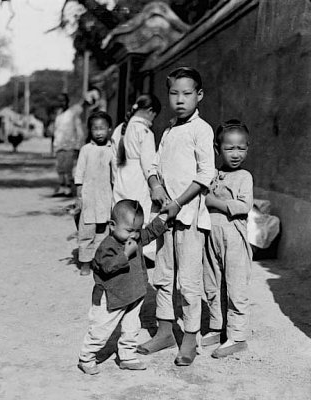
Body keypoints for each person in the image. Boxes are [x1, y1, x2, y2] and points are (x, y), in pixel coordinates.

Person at [137, 67, 215, 367]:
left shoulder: (202, 129)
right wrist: (155, 185)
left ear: (199, 95)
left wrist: (179, 202)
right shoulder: (169, 130)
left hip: (189, 216)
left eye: (186, 93)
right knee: (163, 274)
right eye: (174, 93)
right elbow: (154, 164)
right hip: (164, 216)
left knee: (189, 280)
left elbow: (206, 173)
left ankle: (191, 337)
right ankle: (165, 331)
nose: (180, 100)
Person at [78, 200, 168, 375]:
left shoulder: (135, 237)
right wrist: (125, 254)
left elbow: (149, 233)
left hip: (134, 293)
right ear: (112, 225)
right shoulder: (107, 246)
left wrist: (163, 219)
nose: (134, 235)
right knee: (101, 329)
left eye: (137, 230)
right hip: (112, 297)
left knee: (131, 327)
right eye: (129, 230)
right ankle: (86, 357)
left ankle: (127, 357)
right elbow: (107, 267)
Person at [202, 120, 253, 358]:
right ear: (217, 148)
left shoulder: (244, 176)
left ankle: (237, 335)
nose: (235, 154)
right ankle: (218, 327)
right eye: (229, 148)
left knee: (235, 285)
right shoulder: (212, 174)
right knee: (213, 282)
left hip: (233, 237)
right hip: (211, 236)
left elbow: (243, 206)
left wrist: (216, 203)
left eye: (241, 148)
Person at [111, 94, 161, 224]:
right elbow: (148, 165)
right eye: (154, 116)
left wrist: (115, 180)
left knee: (120, 219)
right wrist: (154, 186)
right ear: (150, 111)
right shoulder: (144, 131)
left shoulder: (119, 129)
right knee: (138, 219)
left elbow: (113, 161)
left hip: (121, 179)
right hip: (138, 180)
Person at [74, 111, 113, 276]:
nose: (99, 132)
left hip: (105, 196)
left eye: (102, 128)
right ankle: (85, 261)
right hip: (89, 196)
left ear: (109, 129)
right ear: (90, 130)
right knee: (86, 229)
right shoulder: (86, 150)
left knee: (103, 231)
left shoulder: (113, 149)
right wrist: (79, 195)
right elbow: (79, 173)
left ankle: (99, 262)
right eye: (95, 129)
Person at [53, 93, 84, 197]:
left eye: (63, 100)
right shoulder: (58, 115)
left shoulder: (72, 114)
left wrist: (78, 146)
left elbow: (79, 130)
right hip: (59, 145)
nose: (61, 103)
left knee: (68, 168)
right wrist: (55, 145)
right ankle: (61, 188)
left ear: (67, 101)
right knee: (60, 168)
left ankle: (68, 189)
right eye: (59, 101)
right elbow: (56, 130)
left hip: (70, 145)